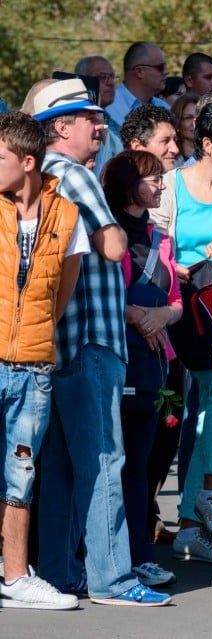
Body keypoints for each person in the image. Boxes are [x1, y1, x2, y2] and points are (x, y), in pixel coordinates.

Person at [35, 78, 171, 606]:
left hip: (58, 338)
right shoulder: (73, 173)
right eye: (87, 117)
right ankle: (112, 579)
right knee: (104, 457)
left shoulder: (37, 175)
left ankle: (58, 571)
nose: (99, 123)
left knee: (63, 465)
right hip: (93, 334)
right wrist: (110, 223)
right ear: (61, 127)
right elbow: (114, 246)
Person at [150, 103, 212, 563]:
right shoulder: (172, 186)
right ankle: (204, 498)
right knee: (197, 410)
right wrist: (182, 266)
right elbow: (153, 248)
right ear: (207, 145)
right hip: (175, 312)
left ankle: (193, 523)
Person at [0, 110, 86, 610]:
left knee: (20, 475)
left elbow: (61, 296)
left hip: (33, 365)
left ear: (28, 162)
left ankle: (15, 577)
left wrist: (30, 339)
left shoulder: (67, 216)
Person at [101, 150, 182, 589]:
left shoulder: (161, 237)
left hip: (154, 362)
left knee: (142, 466)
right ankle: (104, 556)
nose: (161, 186)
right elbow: (97, 293)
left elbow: (177, 304)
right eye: (152, 179)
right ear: (128, 183)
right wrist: (135, 315)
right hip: (118, 356)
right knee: (109, 463)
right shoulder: (107, 234)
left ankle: (140, 555)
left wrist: (160, 317)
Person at [74, 55, 122, 173]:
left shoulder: (114, 125)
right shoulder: (73, 125)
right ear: (83, 81)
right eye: (103, 77)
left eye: (111, 76)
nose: (110, 82)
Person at [105, 41, 171, 125]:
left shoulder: (165, 108)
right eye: (160, 67)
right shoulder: (109, 107)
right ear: (139, 71)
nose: (166, 71)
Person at [120, 105, 179, 171]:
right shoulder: (116, 180)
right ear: (137, 147)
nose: (175, 150)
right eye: (165, 141)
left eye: (175, 140)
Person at [172, 92, 200, 166]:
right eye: (188, 117)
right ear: (177, 123)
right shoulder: (170, 158)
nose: (194, 122)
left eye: (199, 117)